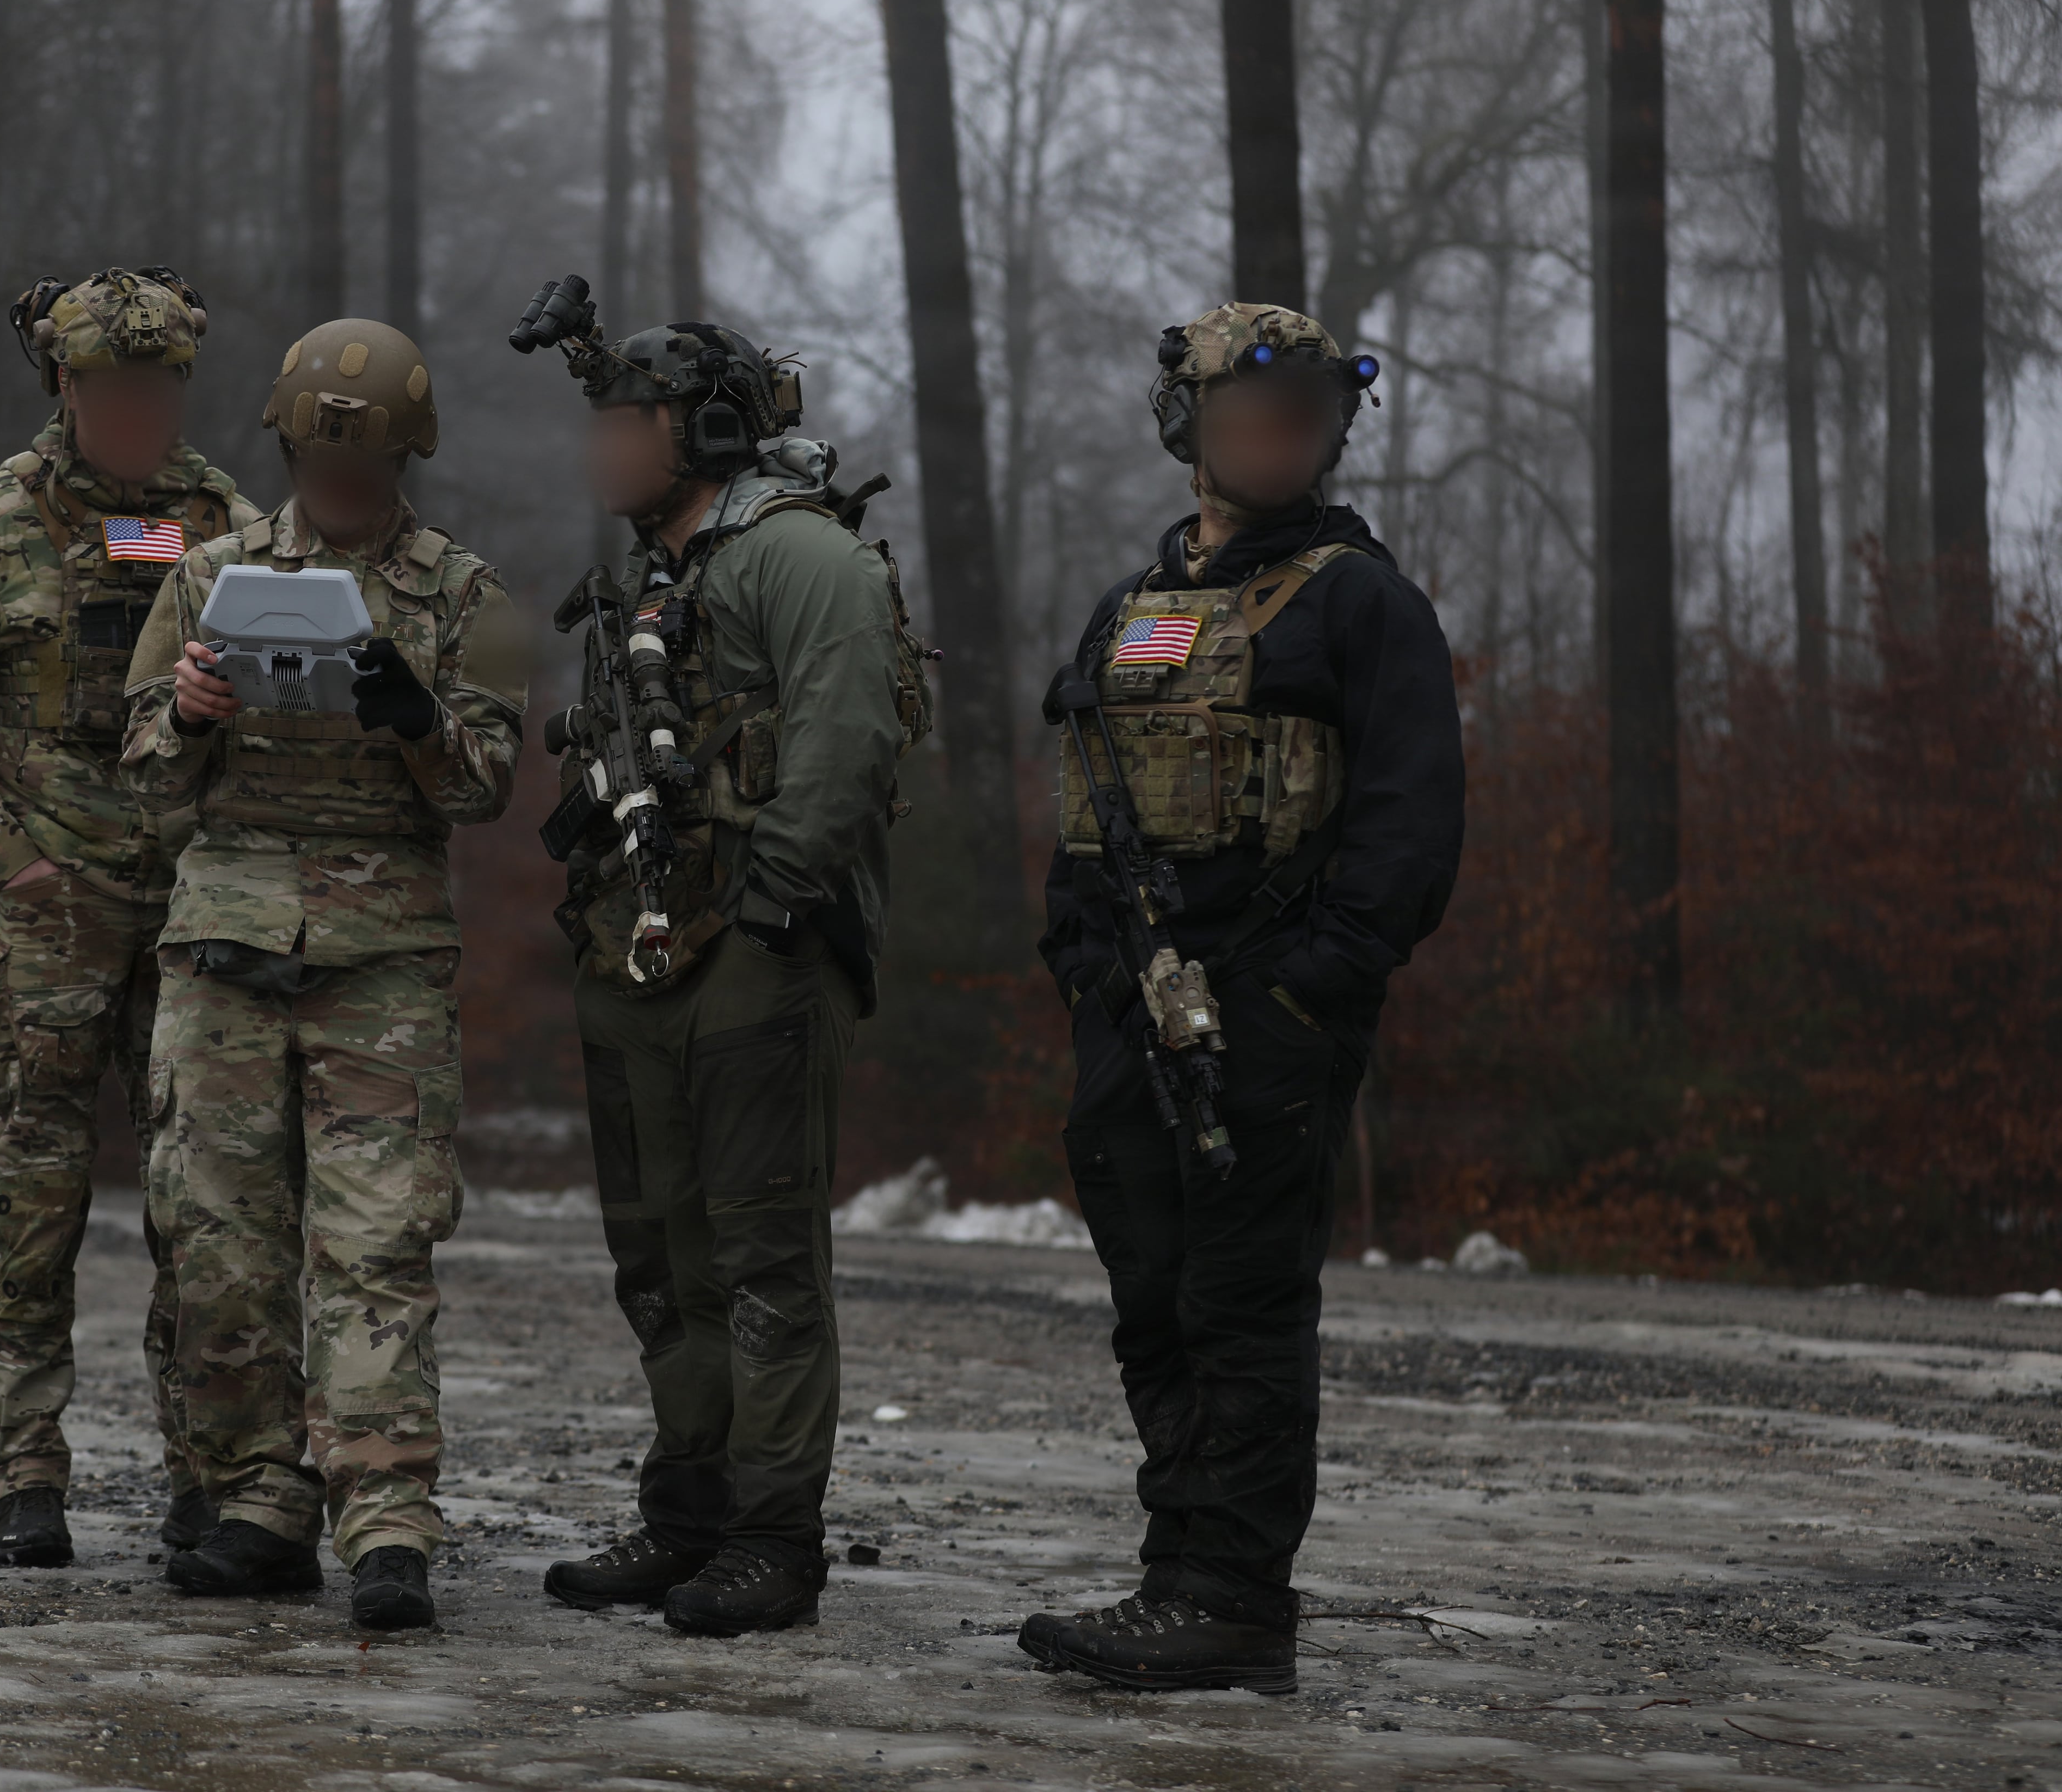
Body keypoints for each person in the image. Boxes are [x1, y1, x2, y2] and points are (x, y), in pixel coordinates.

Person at [1016, 304, 1464, 1692]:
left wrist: (1308, 987)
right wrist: (1084, 965)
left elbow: (1409, 831)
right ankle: (1179, 1574)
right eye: (1251, 416)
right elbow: (1086, 804)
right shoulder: (1133, 607)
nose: (1280, 439)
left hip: (1265, 1018)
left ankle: (1230, 1595)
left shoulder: (1360, 602)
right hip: (1131, 1010)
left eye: (1305, 418)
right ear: (1188, 429)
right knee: (1152, 1296)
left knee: (1242, 1301)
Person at [524, 308, 929, 1636]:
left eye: (621, 423)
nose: (598, 449)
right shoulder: (662, 572)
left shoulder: (799, 556)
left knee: (759, 1253)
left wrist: (770, 904)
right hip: (640, 942)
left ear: (699, 430)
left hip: (758, 945)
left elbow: (849, 735)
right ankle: (689, 1509)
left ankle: (771, 1536)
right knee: (658, 1248)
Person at [119, 318, 526, 1631]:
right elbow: (140, 770)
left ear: (404, 458)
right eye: (319, 461)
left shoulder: (468, 595)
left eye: (362, 465)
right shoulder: (206, 573)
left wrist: (418, 722)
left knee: (375, 1243)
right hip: (224, 943)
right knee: (220, 1240)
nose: (339, 484)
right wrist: (186, 714)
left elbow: (486, 786)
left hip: (382, 958)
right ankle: (258, 1501)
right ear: (290, 451)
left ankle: (388, 1518)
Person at [0, 266, 250, 1570]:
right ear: (65, 387)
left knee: (204, 1212)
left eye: (159, 391)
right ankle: (26, 1474)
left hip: (194, 918)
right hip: (48, 921)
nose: (139, 415)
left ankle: (207, 1476)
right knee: (32, 1213)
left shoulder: (231, 527)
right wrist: (17, 862)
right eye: (113, 392)